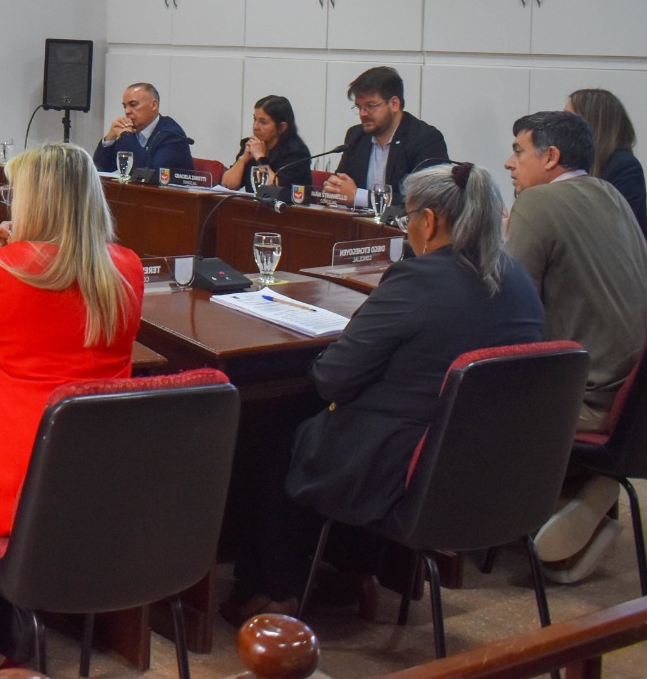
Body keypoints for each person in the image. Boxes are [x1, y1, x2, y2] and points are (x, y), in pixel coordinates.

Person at [224, 163, 544, 623]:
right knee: (349, 421)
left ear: (428, 221)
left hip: (408, 468)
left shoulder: (417, 279)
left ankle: (276, 590)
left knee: (279, 432)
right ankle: (357, 572)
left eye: (407, 216)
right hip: (492, 470)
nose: (405, 226)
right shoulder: (518, 280)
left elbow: (332, 378)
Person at [0, 142, 145, 674]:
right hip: (96, 481)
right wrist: (24, 246)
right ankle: (12, 652)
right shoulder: (126, 267)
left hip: (12, 479)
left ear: (35, 200)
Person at [504, 110, 647, 584]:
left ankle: (482, 530)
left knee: (460, 396)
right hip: (645, 397)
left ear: (550, 157)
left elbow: (508, 304)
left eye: (518, 151)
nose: (510, 163)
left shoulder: (537, 203)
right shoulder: (608, 192)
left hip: (590, 399)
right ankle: (579, 498)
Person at [323, 67, 447, 209]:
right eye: (359, 107)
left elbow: (426, 201)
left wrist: (359, 197)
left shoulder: (425, 139)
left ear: (394, 104)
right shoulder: (356, 136)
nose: (363, 114)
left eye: (370, 106)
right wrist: (333, 189)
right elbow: (340, 186)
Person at [566, 88, 647, 241]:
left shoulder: (625, 167)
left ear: (592, 124)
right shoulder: (572, 164)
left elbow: (610, 229)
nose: (561, 127)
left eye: (568, 119)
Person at [91, 82, 193, 175]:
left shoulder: (171, 135)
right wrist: (110, 138)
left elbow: (149, 175)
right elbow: (98, 171)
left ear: (154, 105)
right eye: (125, 106)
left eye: (133, 105)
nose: (127, 111)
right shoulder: (128, 134)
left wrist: (127, 136)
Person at [220, 95, 313, 193]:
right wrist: (243, 159)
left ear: (282, 127)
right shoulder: (252, 145)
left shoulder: (296, 153)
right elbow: (227, 185)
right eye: (255, 119)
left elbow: (273, 190)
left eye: (263, 122)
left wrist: (260, 158)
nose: (255, 127)